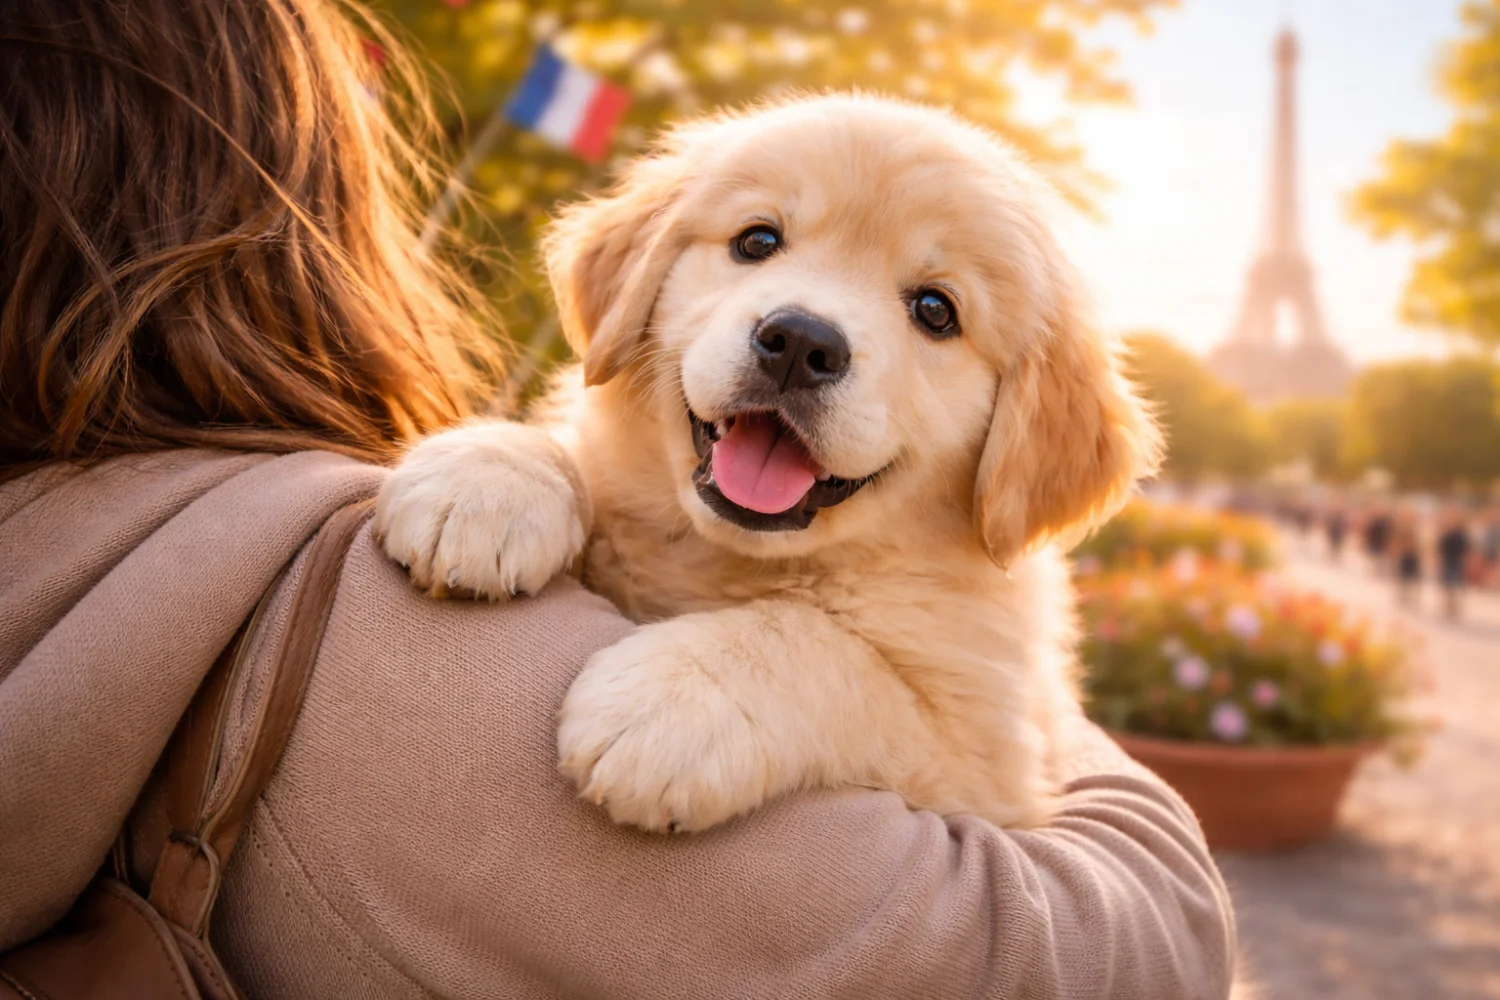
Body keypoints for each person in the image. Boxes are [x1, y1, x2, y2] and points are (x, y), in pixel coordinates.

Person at [0, 2, 1236, 998]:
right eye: (758, 240)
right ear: (632, 283)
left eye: (934, 309)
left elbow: (975, 767)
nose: (808, 326)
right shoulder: (360, 634)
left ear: (1031, 438)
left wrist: (791, 667)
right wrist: (530, 461)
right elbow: (1101, 943)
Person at [1435, 507, 1472, 620]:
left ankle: (1455, 604)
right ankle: (1448, 604)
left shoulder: (1461, 534)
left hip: (1457, 560)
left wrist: (1467, 558)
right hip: (1447, 559)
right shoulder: (1445, 532)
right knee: (1447, 583)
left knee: (1456, 583)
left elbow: (1467, 548)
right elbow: (1439, 547)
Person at [1391, 513, 1422, 610]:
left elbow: (1420, 545)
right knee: (1403, 578)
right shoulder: (1401, 531)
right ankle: (1403, 595)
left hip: (1412, 557)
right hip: (1404, 557)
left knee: (1411, 578)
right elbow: (1396, 544)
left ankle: (1410, 596)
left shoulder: (1416, 531)